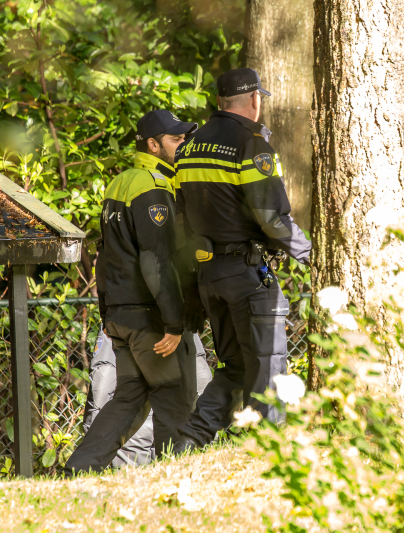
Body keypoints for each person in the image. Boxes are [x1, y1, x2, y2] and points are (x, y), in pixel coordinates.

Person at [171, 68, 312, 453]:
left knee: (235, 367)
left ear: (219, 101)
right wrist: (310, 253)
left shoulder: (188, 147)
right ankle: (267, 450)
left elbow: (182, 221)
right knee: (268, 364)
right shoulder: (252, 144)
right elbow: (271, 217)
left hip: (208, 275)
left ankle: (189, 439)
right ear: (254, 100)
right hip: (246, 274)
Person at [63, 110, 200, 475]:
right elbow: (156, 261)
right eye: (176, 140)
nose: (183, 145)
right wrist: (173, 323)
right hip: (150, 318)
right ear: (153, 145)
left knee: (130, 399)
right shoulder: (152, 187)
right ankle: (176, 477)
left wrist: (108, 312)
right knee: (175, 398)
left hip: (123, 317)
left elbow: (105, 256)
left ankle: (78, 470)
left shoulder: (120, 184)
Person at [82, 328, 213, 467]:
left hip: (127, 320)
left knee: (129, 398)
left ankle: (81, 467)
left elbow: (100, 392)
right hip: (170, 324)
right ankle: (173, 464)